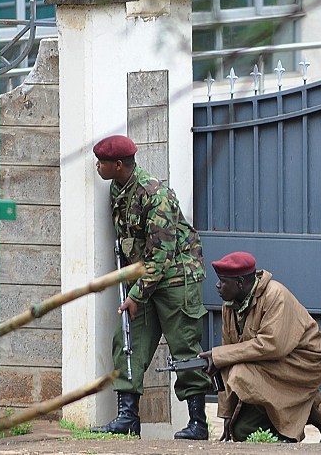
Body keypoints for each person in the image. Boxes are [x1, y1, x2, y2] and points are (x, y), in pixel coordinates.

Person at [91, 134, 212, 440]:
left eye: (102, 163)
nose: (97, 167)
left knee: (184, 347)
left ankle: (198, 423)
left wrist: (136, 294)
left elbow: (161, 254)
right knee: (128, 340)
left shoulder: (154, 194)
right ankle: (127, 418)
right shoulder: (118, 189)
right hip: (144, 283)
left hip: (175, 280)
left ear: (118, 165)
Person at [199, 251, 321, 443]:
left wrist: (219, 355)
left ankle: (300, 427)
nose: (217, 286)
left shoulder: (275, 295)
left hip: (303, 361)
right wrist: (227, 415)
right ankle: (319, 414)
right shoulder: (230, 306)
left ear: (240, 282)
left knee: (241, 375)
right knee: (241, 431)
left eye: (223, 281)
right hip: (269, 361)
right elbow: (226, 360)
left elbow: (272, 345)